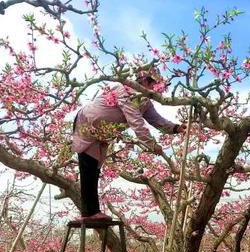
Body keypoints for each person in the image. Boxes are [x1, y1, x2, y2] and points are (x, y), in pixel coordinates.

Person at [71, 67, 185, 221]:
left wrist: (176, 128)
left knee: (94, 169)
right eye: (153, 84)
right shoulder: (125, 90)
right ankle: (89, 213)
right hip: (86, 124)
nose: (155, 88)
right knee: (88, 167)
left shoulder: (145, 101)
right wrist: (152, 144)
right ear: (144, 81)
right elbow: (136, 122)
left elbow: (155, 119)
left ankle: (92, 211)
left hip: (101, 133)